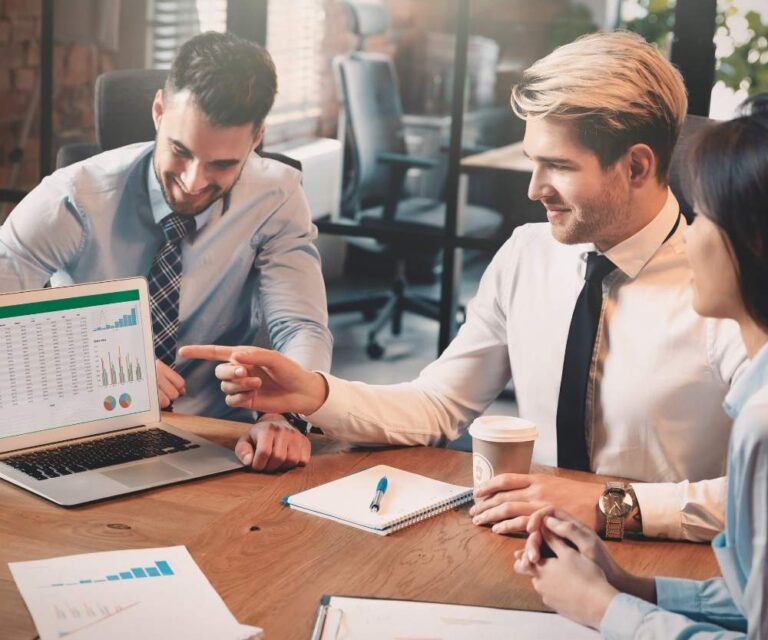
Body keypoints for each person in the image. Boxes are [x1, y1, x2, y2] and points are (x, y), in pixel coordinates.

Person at [180, 31, 746, 540]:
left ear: (637, 167)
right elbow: (439, 404)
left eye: (559, 167)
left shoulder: (730, 292)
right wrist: (316, 393)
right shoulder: (528, 254)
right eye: (532, 161)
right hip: (535, 549)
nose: (533, 189)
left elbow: (758, 496)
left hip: (676, 568)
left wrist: (613, 505)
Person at [0, 32, 332, 472]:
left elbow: (301, 327)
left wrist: (284, 414)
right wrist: (98, 358)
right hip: (86, 427)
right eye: (180, 151)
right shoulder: (74, 198)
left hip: (218, 437)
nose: (194, 182)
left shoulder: (277, 196)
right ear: (159, 112)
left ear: (256, 139)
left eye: (221, 164)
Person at [513, 94, 768, 639]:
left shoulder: (763, 419)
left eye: (701, 216)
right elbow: (759, 597)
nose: (688, 234)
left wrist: (605, 610)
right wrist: (629, 587)